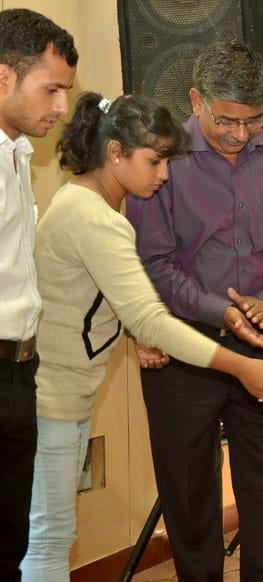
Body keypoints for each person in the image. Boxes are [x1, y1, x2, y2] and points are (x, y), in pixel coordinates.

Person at [19, 92, 263, 581]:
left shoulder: (88, 206)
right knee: (48, 542)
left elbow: (93, 300)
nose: (165, 175)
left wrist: (134, 332)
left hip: (67, 393)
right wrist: (241, 366)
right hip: (52, 395)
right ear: (116, 152)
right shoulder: (94, 218)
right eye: (155, 161)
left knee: (51, 536)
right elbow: (152, 318)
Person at [126, 41, 263, 581]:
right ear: (197, 100)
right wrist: (219, 311)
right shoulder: (159, 157)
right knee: (189, 498)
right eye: (226, 121)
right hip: (181, 349)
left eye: (252, 120)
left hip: (261, 341)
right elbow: (154, 262)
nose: (239, 134)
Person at [0, 9, 77, 580]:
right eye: (51, 89)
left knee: (10, 542)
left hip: (18, 371)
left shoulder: (18, 154)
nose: (62, 107)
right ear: (3, 77)